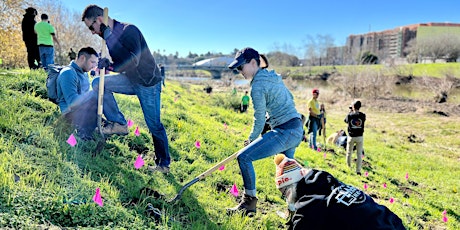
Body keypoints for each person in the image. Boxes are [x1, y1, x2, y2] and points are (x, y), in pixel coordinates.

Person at [82, 5, 170, 173]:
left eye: (91, 27)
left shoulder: (129, 31)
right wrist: (108, 65)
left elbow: (131, 62)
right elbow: (120, 62)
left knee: (154, 125)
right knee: (98, 83)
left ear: (99, 20)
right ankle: (119, 123)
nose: (92, 32)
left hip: (147, 83)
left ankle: (163, 164)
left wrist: (109, 40)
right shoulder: (109, 36)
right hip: (131, 79)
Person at [226, 47, 304, 215]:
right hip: (296, 127)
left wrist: (251, 139)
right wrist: (273, 120)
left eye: (241, 67)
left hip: (285, 131)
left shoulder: (257, 86)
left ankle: (249, 203)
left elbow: (259, 117)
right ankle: (293, 212)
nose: (240, 71)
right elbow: (289, 98)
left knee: (244, 157)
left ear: (253, 63)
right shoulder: (273, 77)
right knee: (287, 171)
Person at [273, 154, 405, 230]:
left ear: (292, 186)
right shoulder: (330, 184)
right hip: (394, 223)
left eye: (285, 192)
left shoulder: (308, 208)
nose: (286, 198)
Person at [56, 47, 99, 140]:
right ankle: (83, 134)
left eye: (95, 63)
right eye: (92, 62)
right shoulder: (68, 73)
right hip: (70, 114)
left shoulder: (84, 74)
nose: (93, 66)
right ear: (83, 58)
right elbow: (72, 103)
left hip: (84, 112)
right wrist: (92, 94)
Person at [344, 100, 366, 175]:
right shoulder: (363, 115)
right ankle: (358, 170)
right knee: (359, 154)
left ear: (353, 107)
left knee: (349, 152)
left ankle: (348, 167)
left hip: (351, 137)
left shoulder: (350, 115)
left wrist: (350, 111)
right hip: (360, 137)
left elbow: (345, 120)